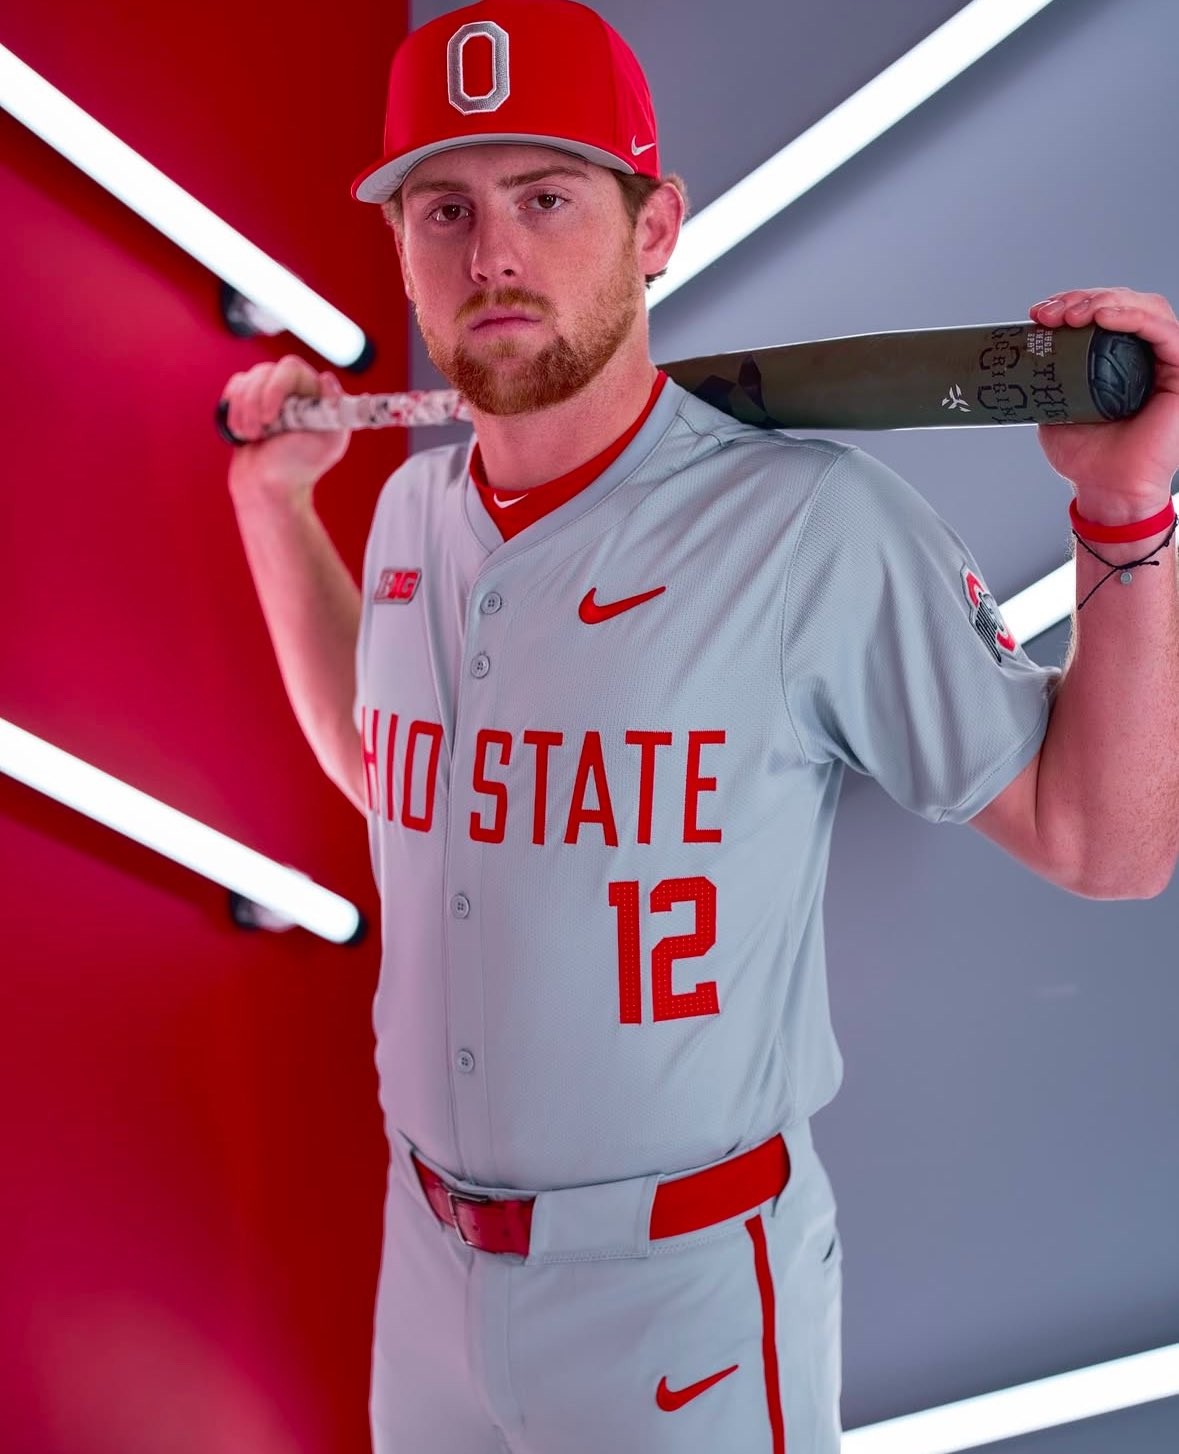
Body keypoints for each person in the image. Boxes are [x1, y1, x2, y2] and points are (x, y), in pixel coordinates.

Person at [220, 3, 1179, 1450]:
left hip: (682, 1298)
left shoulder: (809, 524)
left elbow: (1104, 840)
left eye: (547, 197)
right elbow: (398, 784)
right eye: (445, 208)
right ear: (404, 242)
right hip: (423, 1265)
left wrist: (1122, 508)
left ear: (655, 225)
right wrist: (270, 503)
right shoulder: (414, 508)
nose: (492, 255)